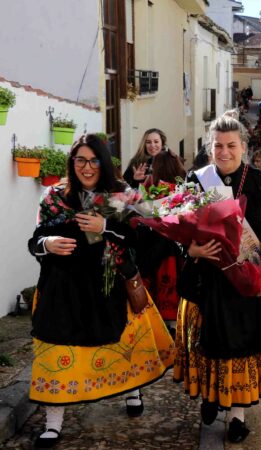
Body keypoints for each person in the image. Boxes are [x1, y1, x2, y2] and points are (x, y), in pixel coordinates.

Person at [27, 134, 174, 449]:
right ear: (72, 162)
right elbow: (35, 237)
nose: (87, 167)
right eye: (80, 159)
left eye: (94, 160)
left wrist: (104, 228)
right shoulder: (54, 197)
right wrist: (47, 244)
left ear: (104, 163)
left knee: (122, 343)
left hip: (109, 285)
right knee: (56, 348)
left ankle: (133, 389)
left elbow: (145, 236)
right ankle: (53, 424)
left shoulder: (122, 196)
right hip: (62, 290)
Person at [174, 112, 261, 444]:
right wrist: (191, 252)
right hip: (207, 277)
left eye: (231, 145)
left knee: (243, 345)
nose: (224, 152)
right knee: (208, 341)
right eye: (218, 145)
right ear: (210, 148)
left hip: (246, 278)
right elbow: (181, 231)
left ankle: (237, 415)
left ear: (243, 147)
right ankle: (211, 397)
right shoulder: (197, 179)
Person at [134, 149, 187, 332]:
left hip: (153, 251)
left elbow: (138, 211)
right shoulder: (183, 191)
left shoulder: (149, 189)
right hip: (173, 254)